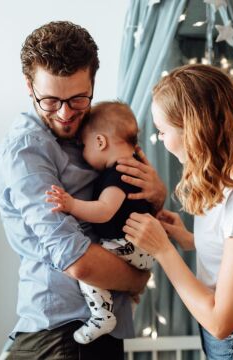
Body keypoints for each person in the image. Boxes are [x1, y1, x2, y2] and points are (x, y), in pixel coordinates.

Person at [0, 21, 165, 359]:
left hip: (100, 329)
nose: (66, 113)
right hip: (64, 330)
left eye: (78, 98)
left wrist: (157, 195)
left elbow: (135, 204)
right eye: (51, 100)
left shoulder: (98, 131)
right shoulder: (27, 151)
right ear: (29, 87)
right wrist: (136, 280)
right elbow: (76, 260)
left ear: (92, 84)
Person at [123, 64, 233, 359]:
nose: (162, 140)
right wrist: (188, 239)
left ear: (193, 131)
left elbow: (221, 322)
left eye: (163, 131)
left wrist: (163, 250)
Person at [45, 100, 155, 345]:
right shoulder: (133, 168)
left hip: (133, 245)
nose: (83, 153)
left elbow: (105, 211)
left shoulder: (120, 173)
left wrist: (71, 205)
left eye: (84, 146)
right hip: (138, 246)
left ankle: (101, 315)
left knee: (92, 267)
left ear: (100, 142)